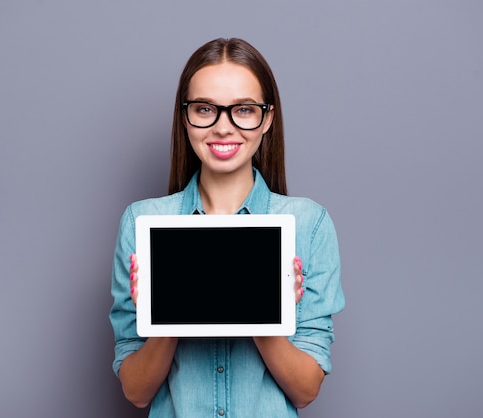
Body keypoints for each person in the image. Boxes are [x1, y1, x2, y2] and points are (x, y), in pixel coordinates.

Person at [110, 37, 345, 417]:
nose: (223, 127)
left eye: (244, 110)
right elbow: (136, 391)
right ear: (185, 116)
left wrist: (265, 304)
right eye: (205, 109)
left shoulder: (309, 224)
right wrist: (166, 307)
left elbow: (305, 391)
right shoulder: (142, 224)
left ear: (267, 118)